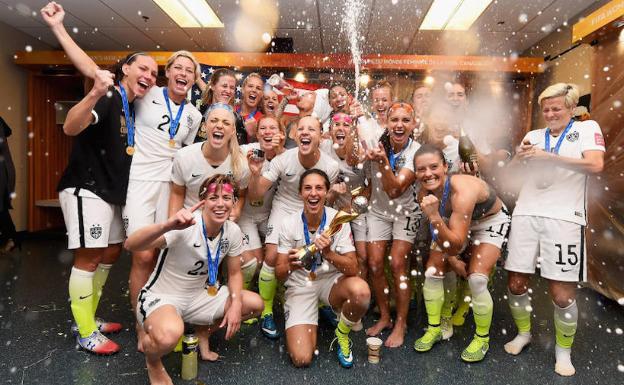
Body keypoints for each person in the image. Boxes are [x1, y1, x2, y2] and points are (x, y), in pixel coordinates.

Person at [55, 48, 157, 354]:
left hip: (113, 193)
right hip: (87, 187)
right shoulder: (110, 96)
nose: (149, 76)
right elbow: (71, 126)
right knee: (90, 256)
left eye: (154, 73)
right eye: (143, 68)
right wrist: (93, 94)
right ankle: (84, 331)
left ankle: (88, 316)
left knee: (111, 253)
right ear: (125, 68)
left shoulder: (133, 107)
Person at [503, 83, 605, 376]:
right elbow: (509, 175)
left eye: (556, 108)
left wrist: (551, 158)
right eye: (545, 109)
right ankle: (524, 334)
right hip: (526, 213)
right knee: (516, 283)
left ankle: (563, 351)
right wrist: (518, 159)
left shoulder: (587, 129)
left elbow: (596, 165)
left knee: (561, 294)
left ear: (571, 108)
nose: (549, 114)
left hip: (564, 217)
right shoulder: (534, 136)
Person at [125, 174, 263, 385]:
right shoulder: (185, 226)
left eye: (226, 198)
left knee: (254, 305)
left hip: (202, 296)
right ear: (202, 202)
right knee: (169, 335)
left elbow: (235, 273)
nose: (220, 204)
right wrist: (167, 225)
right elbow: (131, 245)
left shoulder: (232, 232)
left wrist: (235, 303)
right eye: (213, 198)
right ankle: (153, 362)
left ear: (234, 203)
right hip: (163, 297)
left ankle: (203, 333)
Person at [121, 51, 203, 350]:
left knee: (165, 254)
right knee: (141, 254)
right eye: (177, 68)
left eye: (189, 71)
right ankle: (140, 322)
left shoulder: (194, 115)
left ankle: (161, 312)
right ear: (167, 73)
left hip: (170, 186)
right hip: (140, 182)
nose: (183, 73)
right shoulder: (146, 94)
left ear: (194, 79)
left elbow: (185, 153)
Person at [412, 144, 510, 362]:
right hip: (455, 224)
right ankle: (437, 326)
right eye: (421, 169)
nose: (428, 174)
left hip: (489, 222)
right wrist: (452, 259)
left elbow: (454, 245)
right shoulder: (424, 192)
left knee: (476, 278)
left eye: (434, 167)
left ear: (445, 167)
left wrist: (435, 217)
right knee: (432, 271)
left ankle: (482, 338)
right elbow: (448, 241)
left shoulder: (462, 191)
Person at [247, 115, 340, 339]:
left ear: (321, 137)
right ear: (295, 135)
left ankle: (318, 303)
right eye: (301, 129)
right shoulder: (283, 159)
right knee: (271, 257)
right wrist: (256, 173)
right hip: (285, 207)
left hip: (314, 208)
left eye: (312, 129)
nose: (306, 132)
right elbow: (257, 193)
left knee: (317, 253)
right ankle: (267, 310)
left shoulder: (331, 166)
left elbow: (326, 198)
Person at [275, 169, 370, 368]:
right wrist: (292, 264)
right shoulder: (287, 223)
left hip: (330, 282)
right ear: (300, 193)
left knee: (361, 292)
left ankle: (341, 334)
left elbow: (353, 268)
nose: (313, 193)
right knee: (302, 359)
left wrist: (329, 254)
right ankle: (312, 313)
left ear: (327, 192)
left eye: (319, 188)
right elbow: (279, 273)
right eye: (308, 188)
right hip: (301, 285)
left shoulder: (339, 219)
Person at [364, 102, 424, 348]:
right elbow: (358, 166)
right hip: (377, 211)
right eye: (394, 120)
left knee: (398, 263)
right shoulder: (376, 142)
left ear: (414, 124)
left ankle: (401, 323)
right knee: (375, 264)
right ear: (386, 123)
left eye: (405, 120)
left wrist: (382, 163)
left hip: (405, 212)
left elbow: (395, 189)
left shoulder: (416, 152)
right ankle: (385, 316)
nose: (399, 125)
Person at [169, 103, 248, 218]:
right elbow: (177, 193)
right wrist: (173, 226)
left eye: (226, 123)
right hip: (191, 222)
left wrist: (237, 210)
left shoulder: (242, 163)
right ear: (205, 126)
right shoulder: (184, 157)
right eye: (213, 120)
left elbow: (241, 195)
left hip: (222, 224)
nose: (219, 125)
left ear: (232, 130)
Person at [238, 116, 285, 294]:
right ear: (256, 134)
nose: (267, 132)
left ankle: (280, 292)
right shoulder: (245, 152)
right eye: (263, 129)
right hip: (246, 215)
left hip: (270, 215)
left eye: (272, 128)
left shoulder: (286, 156)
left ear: (281, 134)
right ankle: (241, 295)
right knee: (255, 263)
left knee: (280, 255)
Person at [319, 112, 368, 277]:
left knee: (362, 256)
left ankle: (361, 292)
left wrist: (355, 206)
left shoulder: (361, 152)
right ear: (330, 130)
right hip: (331, 207)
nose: (341, 128)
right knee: (330, 250)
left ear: (352, 130)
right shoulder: (322, 147)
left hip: (357, 208)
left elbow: (372, 185)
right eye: (336, 125)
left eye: (346, 125)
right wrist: (331, 196)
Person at [0, 117, 17, 253]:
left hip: (3, 172)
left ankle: (11, 238)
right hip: (4, 171)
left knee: (1, 208)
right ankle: (12, 238)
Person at [235, 73, 265, 143]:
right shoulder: (230, 110)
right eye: (250, 86)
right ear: (243, 89)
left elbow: (264, 149)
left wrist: (253, 135)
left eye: (258, 88)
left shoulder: (263, 120)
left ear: (261, 94)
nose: (254, 90)